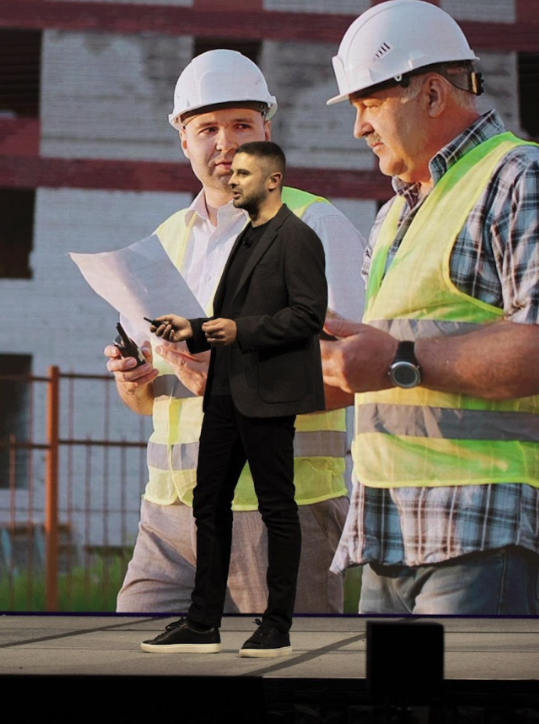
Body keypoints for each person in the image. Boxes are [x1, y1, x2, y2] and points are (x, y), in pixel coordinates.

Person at [106, 51, 365, 621]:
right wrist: (135, 380)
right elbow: (151, 400)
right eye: (207, 128)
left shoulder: (316, 228)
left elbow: (356, 374)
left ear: (267, 132)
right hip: (170, 518)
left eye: (241, 125)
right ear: (184, 142)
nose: (224, 142)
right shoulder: (168, 239)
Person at [320, 0, 539, 615]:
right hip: (387, 538)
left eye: (367, 104)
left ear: (434, 95)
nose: (358, 127)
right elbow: (375, 372)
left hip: (479, 529)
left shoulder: (519, 175)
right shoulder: (393, 216)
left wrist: (395, 359)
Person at [140, 142, 328, 657]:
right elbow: (230, 317)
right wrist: (192, 329)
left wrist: (236, 329)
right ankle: (202, 624)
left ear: (273, 180)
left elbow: (309, 317)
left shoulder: (298, 237)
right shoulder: (243, 239)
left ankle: (277, 625)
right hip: (222, 394)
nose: (233, 179)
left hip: (268, 394)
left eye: (244, 173)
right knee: (208, 504)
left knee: (276, 510)